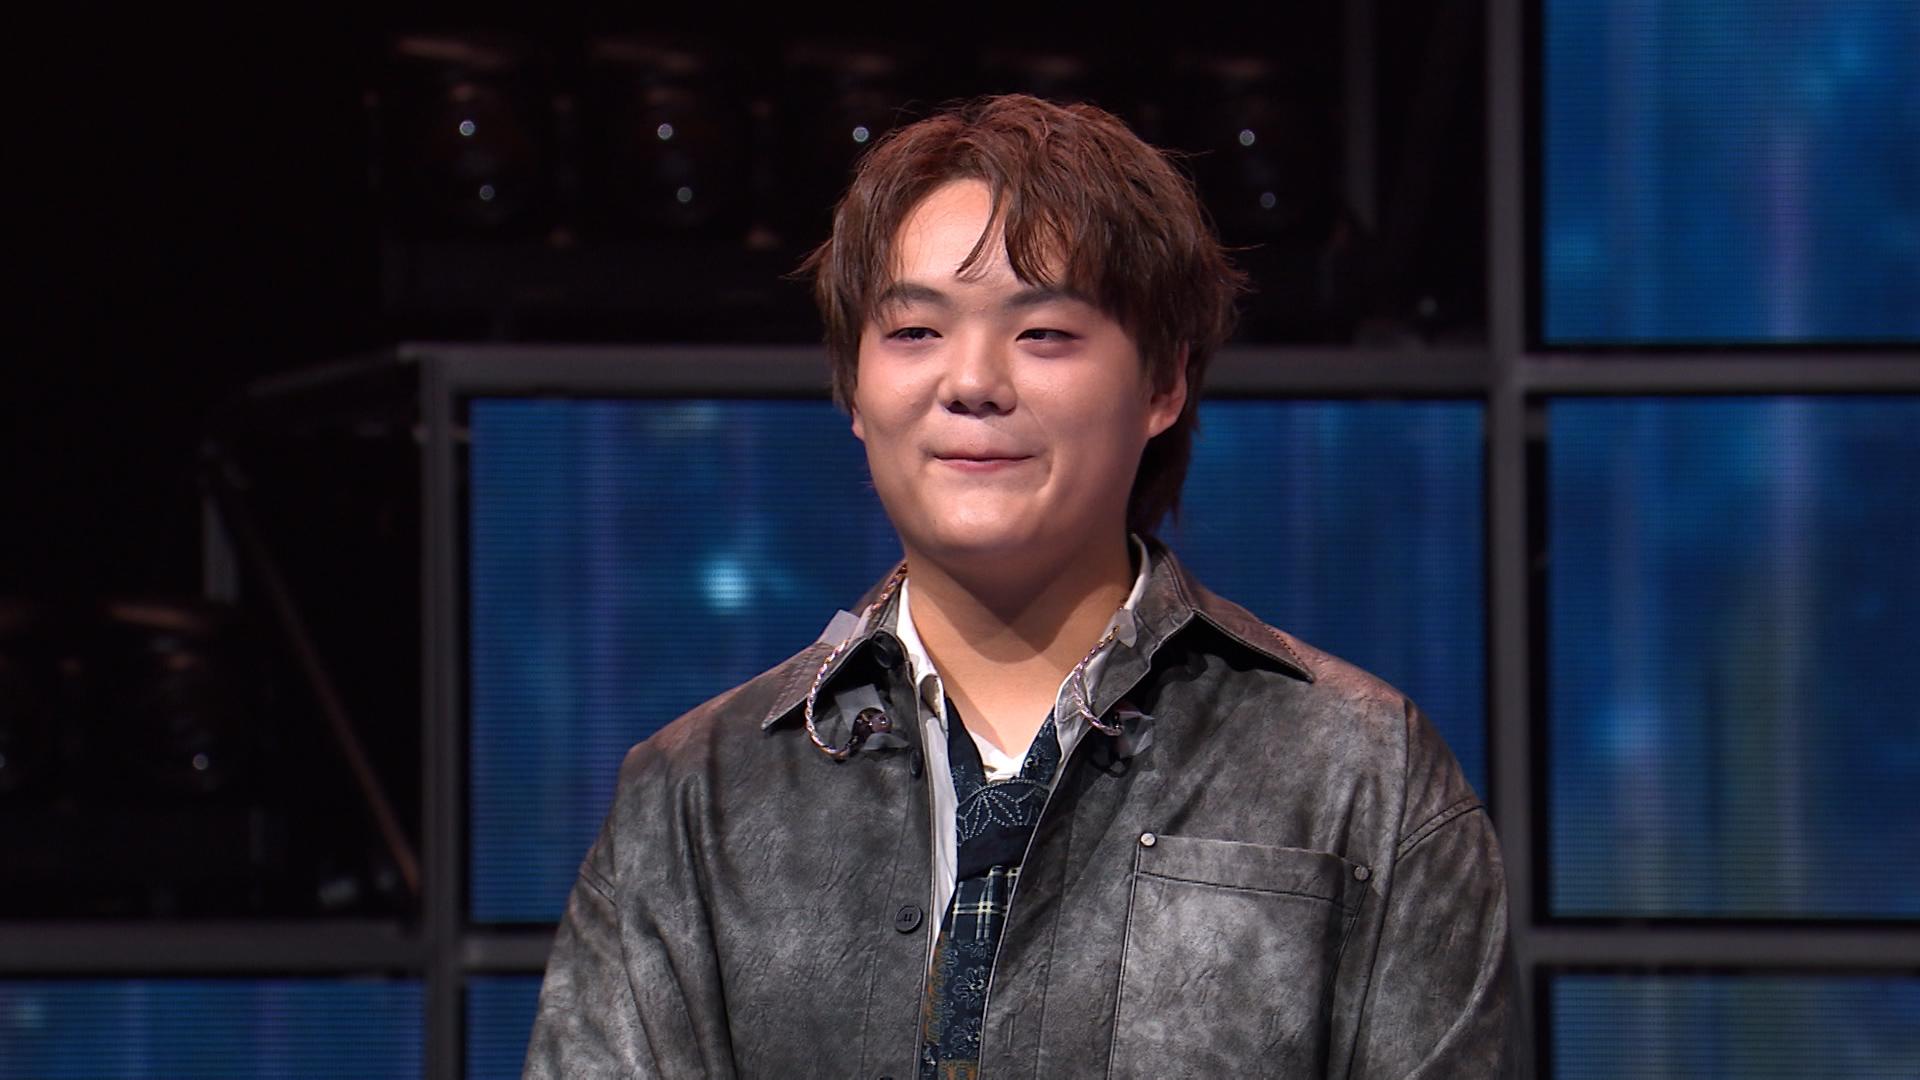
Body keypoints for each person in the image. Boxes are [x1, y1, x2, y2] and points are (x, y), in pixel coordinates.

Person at [525, 93, 1514, 1079]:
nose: (972, 382)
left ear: (1164, 383)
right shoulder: (695, 797)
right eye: (915, 332)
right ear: (853, 389)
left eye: (1042, 333)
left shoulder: (1356, 772)